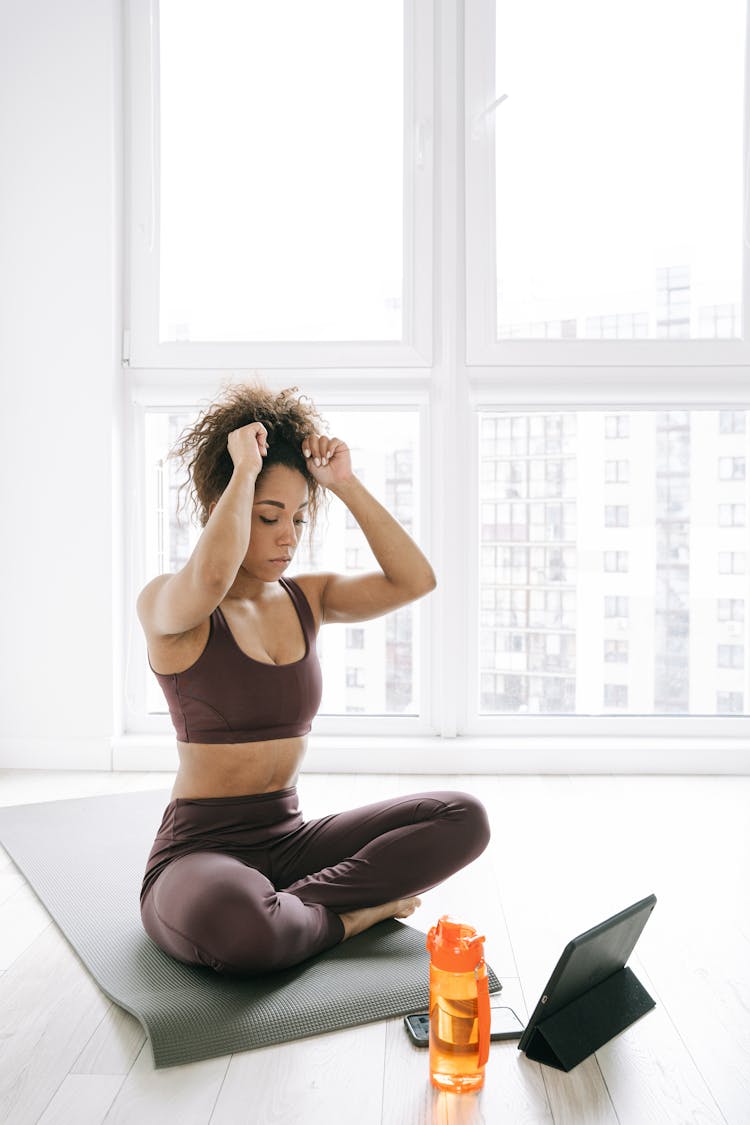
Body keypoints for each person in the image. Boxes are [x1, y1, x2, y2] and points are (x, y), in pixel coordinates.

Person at [137, 383, 490, 975]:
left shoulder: (309, 597)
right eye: (268, 515)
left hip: (291, 843)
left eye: (298, 517)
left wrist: (344, 484)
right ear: (223, 507)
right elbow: (211, 577)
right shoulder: (172, 606)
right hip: (201, 852)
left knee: (463, 818)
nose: (287, 536)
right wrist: (243, 467)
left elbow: (414, 580)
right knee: (237, 920)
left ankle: (291, 915)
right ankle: (353, 916)